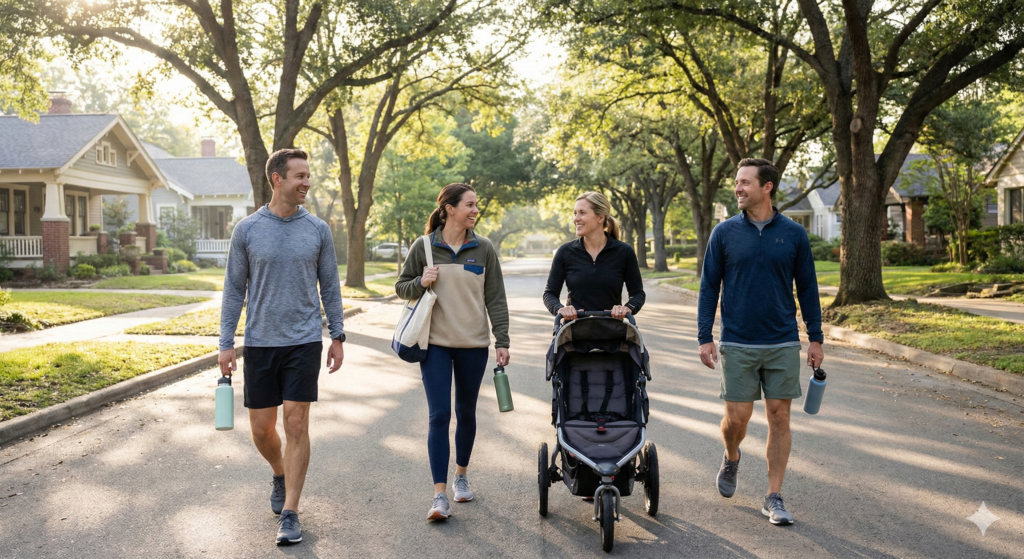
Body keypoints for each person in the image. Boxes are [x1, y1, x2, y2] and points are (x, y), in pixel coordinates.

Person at [219, 148, 346, 545]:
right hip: (259, 342)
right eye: (300, 176)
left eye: (308, 176)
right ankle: (279, 472)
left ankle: (290, 511)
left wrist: (337, 335)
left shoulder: (318, 229)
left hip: (303, 341)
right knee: (261, 430)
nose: (307, 182)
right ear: (277, 179)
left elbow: (330, 285)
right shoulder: (248, 230)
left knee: (296, 423)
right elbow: (233, 290)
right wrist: (226, 343)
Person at [696, 158, 824, 526]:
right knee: (736, 419)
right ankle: (732, 456)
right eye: (737, 182)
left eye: (745, 182)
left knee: (779, 417)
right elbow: (709, 287)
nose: (737, 188)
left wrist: (815, 338)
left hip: (782, 340)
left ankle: (773, 495)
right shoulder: (724, 233)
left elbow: (809, 289)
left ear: (767, 187)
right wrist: (705, 336)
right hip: (737, 341)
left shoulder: (794, 234)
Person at [395, 183, 511, 521]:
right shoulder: (424, 247)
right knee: (439, 415)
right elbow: (402, 287)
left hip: (474, 344)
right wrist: (421, 281)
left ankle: (461, 475)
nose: (475, 211)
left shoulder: (484, 248)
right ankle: (439, 495)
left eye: (476, 205)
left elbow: (496, 299)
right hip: (435, 346)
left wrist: (501, 339)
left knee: (466, 412)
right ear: (449, 208)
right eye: (470, 205)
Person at [543, 191, 645, 322]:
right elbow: (549, 293)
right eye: (575, 213)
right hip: (574, 332)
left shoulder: (624, 251)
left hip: (612, 331)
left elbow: (638, 293)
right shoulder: (565, 252)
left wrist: (627, 308)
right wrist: (560, 309)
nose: (576, 219)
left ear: (600, 218)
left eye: (582, 213)